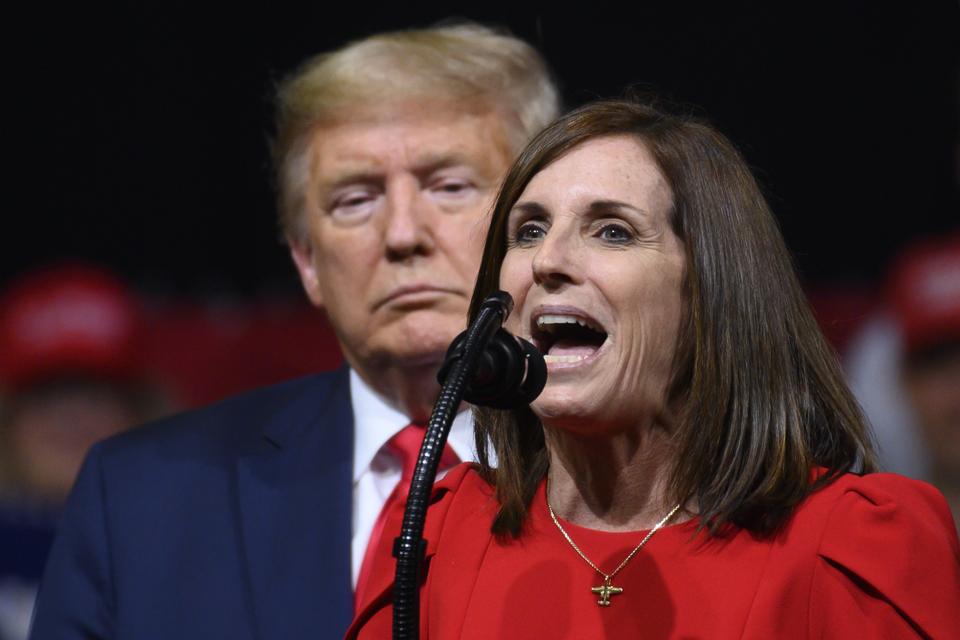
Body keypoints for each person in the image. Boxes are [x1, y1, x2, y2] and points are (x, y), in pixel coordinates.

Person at [347, 99, 960, 638]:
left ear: (711, 296)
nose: (547, 260)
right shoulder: (435, 534)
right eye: (528, 230)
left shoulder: (848, 546)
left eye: (612, 232)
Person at [29, 24, 560, 640]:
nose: (402, 235)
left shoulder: (635, 477)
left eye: (450, 187)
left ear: (536, 231)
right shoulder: (138, 498)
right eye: (355, 200)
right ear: (307, 260)